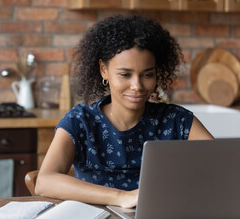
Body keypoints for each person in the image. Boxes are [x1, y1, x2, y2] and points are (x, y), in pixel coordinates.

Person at [35, 14, 214, 208]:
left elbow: (222, 165)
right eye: (125, 74)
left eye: (147, 74)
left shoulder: (176, 120)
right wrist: (121, 197)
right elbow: (45, 182)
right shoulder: (80, 121)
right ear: (104, 69)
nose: (137, 86)